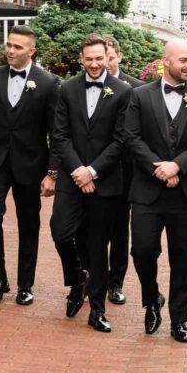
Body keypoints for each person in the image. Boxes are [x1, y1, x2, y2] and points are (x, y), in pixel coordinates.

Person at [122, 39, 187, 343]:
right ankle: (152, 299)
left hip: (186, 192)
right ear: (165, 61)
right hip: (147, 190)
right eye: (183, 60)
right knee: (142, 250)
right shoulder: (139, 96)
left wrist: (177, 166)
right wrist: (157, 168)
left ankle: (179, 320)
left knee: (183, 256)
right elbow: (131, 137)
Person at [0, 25, 59, 308]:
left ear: (32, 50)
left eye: (18, 47)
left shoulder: (48, 82)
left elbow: (56, 132)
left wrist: (52, 173)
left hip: (31, 165)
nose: (10, 50)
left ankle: (25, 285)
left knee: (28, 223)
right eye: (8, 45)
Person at [48, 34, 132, 332]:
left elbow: (121, 140)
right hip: (73, 180)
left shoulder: (123, 91)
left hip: (104, 181)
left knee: (97, 246)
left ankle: (96, 310)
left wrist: (93, 171)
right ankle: (77, 278)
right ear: (81, 59)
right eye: (89, 59)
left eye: (99, 58)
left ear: (107, 56)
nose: (94, 64)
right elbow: (59, 135)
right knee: (60, 231)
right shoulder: (67, 88)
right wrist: (77, 171)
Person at [103, 35, 143, 306]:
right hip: (92, 168)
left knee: (119, 228)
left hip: (124, 170)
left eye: (108, 56)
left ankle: (115, 282)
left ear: (118, 56)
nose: (103, 62)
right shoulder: (78, 86)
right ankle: (90, 276)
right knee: (89, 227)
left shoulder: (137, 89)